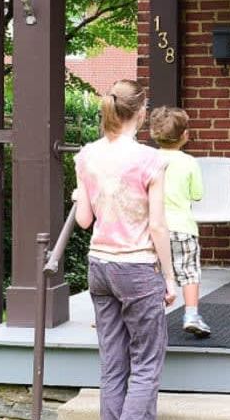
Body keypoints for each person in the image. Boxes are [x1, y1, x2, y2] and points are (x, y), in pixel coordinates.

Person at [72, 79, 176, 420]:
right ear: (141, 112)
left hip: (99, 266)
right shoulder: (150, 160)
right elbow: (158, 226)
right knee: (146, 364)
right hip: (137, 268)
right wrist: (171, 280)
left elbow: (84, 220)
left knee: (113, 364)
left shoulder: (86, 155)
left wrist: (78, 197)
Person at [148, 106, 211, 338]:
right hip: (183, 227)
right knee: (190, 272)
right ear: (185, 135)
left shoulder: (149, 159)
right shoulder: (189, 162)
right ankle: (191, 315)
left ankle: (153, 317)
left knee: (154, 272)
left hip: (153, 229)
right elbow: (197, 194)